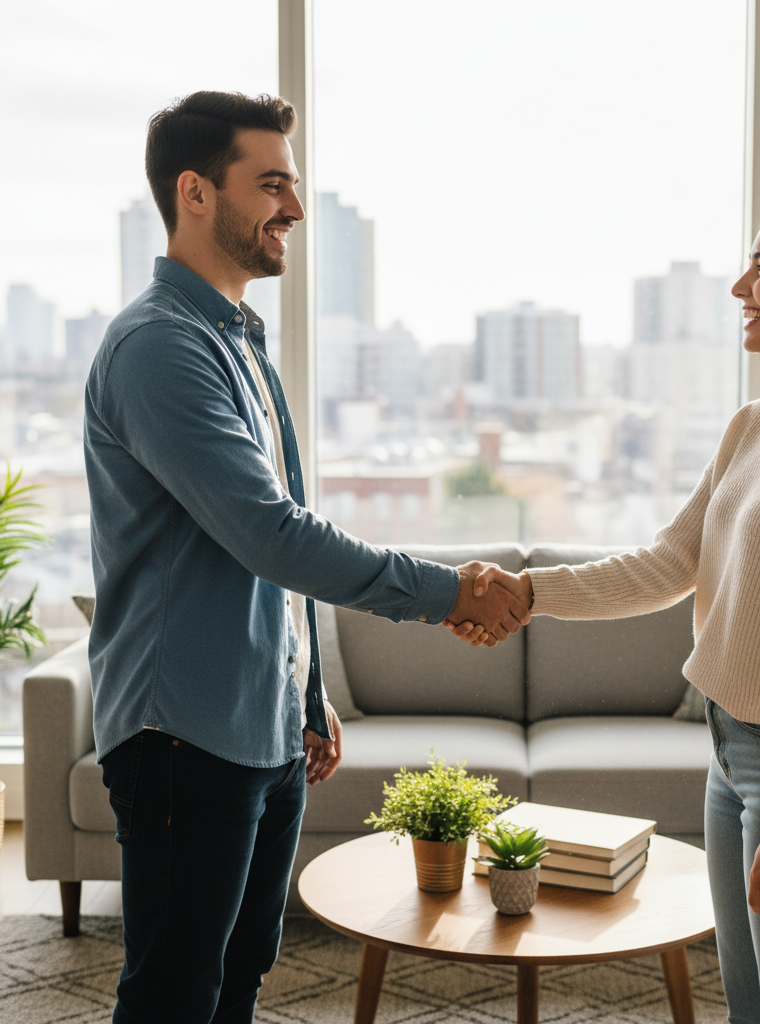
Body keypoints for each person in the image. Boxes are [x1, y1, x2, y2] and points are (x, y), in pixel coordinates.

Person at [84, 90, 528, 1024]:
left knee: (240, 973)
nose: (292, 207)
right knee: (174, 993)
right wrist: (449, 590)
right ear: (196, 193)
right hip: (182, 735)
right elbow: (270, 535)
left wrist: (307, 685)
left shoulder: (239, 342)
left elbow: (272, 537)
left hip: (261, 724)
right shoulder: (160, 350)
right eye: (272, 183)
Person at [455, 197, 760, 1023]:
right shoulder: (755, 424)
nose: (740, 285)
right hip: (730, 757)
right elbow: (671, 562)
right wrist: (532, 594)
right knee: (754, 1010)